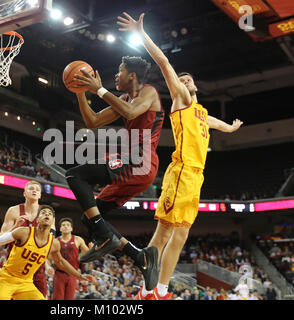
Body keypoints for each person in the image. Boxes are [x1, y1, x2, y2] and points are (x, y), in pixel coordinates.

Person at [117, 12, 243, 300]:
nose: (183, 82)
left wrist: (232, 128)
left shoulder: (202, 113)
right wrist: (142, 33)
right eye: (180, 80)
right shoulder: (182, 101)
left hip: (196, 178)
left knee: (181, 235)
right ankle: (146, 288)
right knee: (163, 233)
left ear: (195, 85)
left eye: (187, 80)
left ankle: (161, 290)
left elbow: (218, 124)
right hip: (182, 171)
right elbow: (163, 62)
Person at [67, 54, 166, 290]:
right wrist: (81, 92)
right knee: (90, 216)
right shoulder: (123, 99)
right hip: (136, 167)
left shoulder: (149, 92)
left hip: (140, 161)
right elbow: (92, 121)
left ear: (131, 75)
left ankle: (105, 236)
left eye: (119, 71)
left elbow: (132, 113)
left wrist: (99, 89)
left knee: (75, 175)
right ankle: (140, 256)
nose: (115, 75)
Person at [0, 205, 95, 300]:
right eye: (43, 213)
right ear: (37, 219)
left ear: (53, 221)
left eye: (50, 214)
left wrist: (80, 276)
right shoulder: (24, 232)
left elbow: (61, 263)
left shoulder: (54, 243)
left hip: (26, 283)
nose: (47, 215)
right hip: (7, 279)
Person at [0, 180, 54, 298]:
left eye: (37, 190)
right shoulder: (14, 211)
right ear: (24, 193)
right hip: (15, 264)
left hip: (36, 266)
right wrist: (15, 227)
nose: (34, 191)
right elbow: (0, 238)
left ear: (40, 195)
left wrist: (48, 265)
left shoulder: (47, 215)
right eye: (31, 188)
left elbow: (48, 245)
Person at [52, 217, 89, 300]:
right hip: (59, 273)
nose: (65, 226)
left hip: (73, 273)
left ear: (71, 228)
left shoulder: (78, 239)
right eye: (63, 225)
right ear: (60, 229)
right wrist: (48, 267)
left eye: (68, 225)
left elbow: (87, 253)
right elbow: (49, 257)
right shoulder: (56, 241)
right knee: (58, 298)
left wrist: (94, 250)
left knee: (70, 298)